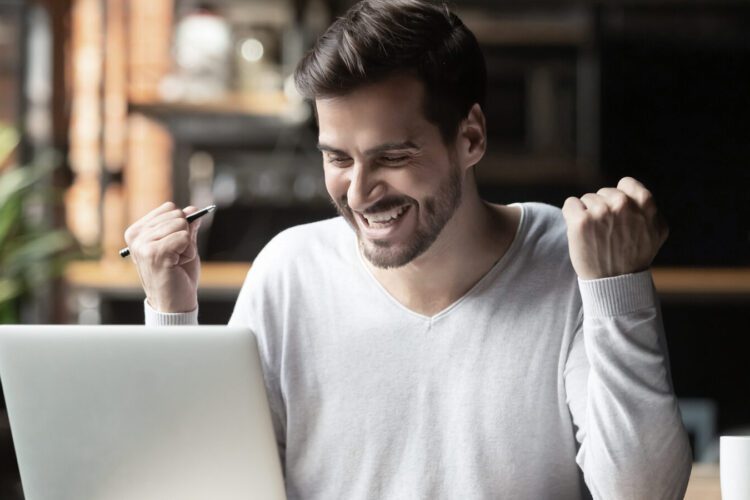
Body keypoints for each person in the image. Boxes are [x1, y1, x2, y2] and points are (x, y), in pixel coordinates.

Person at [124, 0, 692, 498]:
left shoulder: (573, 264)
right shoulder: (289, 271)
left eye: (393, 157)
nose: (360, 192)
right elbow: (210, 490)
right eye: (338, 158)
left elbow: (642, 494)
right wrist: (172, 317)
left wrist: (618, 287)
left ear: (470, 137)